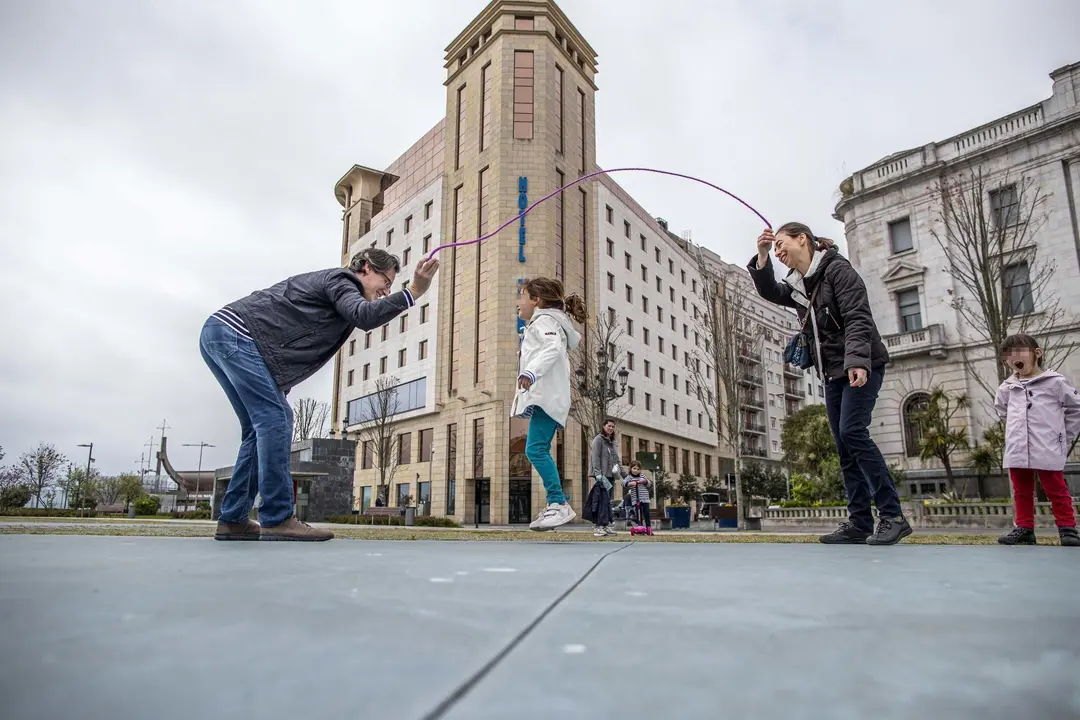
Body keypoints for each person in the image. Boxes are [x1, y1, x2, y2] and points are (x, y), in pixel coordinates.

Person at [201, 248, 439, 541]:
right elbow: (364, 316)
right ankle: (277, 517)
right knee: (276, 418)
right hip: (236, 334)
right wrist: (413, 291)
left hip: (225, 334)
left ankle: (233, 520)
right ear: (366, 267)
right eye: (386, 282)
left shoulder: (338, 293)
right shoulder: (342, 281)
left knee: (258, 429)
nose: (386, 291)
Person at [748, 222, 912, 545]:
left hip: (863, 365)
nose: (778, 251)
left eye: (780, 244)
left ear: (802, 239)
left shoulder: (838, 271)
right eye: (774, 247)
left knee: (852, 432)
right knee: (843, 444)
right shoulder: (800, 285)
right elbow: (770, 292)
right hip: (833, 373)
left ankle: (893, 516)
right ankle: (860, 522)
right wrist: (762, 255)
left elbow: (857, 317)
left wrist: (857, 361)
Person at [511, 277, 587, 531]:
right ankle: (555, 503)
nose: (518, 303)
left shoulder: (545, 321)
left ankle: (558, 503)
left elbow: (552, 348)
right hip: (548, 397)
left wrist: (530, 372)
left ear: (536, 300)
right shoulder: (546, 322)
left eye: (522, 296)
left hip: (547, 397)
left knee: (535, 449)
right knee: (537, 448)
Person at [994, 333, 1080, 547]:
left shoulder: (1055, 382)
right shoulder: (1006, 388)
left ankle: (1068, 529)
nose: (1014, 358)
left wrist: (1063, 435)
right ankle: (1024, 528)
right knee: (1020, 490)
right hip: (1017, 446)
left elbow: (1075, 409)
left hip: (1047, 445)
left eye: (1020, 352)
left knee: (1056, 488)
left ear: (1037, 353)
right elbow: (1002, 411)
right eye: (1009, 355)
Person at [587, 418, 622, 536]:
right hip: (602, 476)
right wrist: (598, 473)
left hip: (611, 475)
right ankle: (598, 527)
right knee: (602, 501)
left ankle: (605, 525)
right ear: (604, 426)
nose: (611, 428)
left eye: (612, 426)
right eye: (609, 426)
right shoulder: (598, 440)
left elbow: (616, 459)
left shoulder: (612, 442)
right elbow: (595, 457)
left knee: (607, 502)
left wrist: (623, 474)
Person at [623, 460, 652, 531]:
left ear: (640, 470)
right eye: (634, 468)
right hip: (636, 499)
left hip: (644, 498)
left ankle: (648, 527)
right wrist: (629, 483)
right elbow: (623, 483)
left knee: (646, 513)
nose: (636, 470)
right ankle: (640, 526)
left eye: (638, 469)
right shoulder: (629, 477)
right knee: (638, 513)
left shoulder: (642, 476)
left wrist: (644, 481)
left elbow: (649, 484)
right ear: (631, 469)